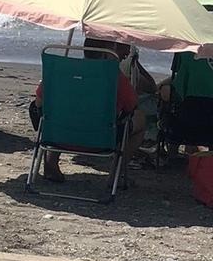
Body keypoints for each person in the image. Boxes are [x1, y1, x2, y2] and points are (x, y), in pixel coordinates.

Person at [32, 38, 145, 181]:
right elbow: (132, 106)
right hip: (99, 139)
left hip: (59, 137)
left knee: (51, 110)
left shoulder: (61, 72)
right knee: (140, 118)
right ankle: (115, 175)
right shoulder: (115, 79)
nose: (127, 51)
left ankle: (50, 163)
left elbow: (38, 103)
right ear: (107, 52)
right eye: (119, 46)